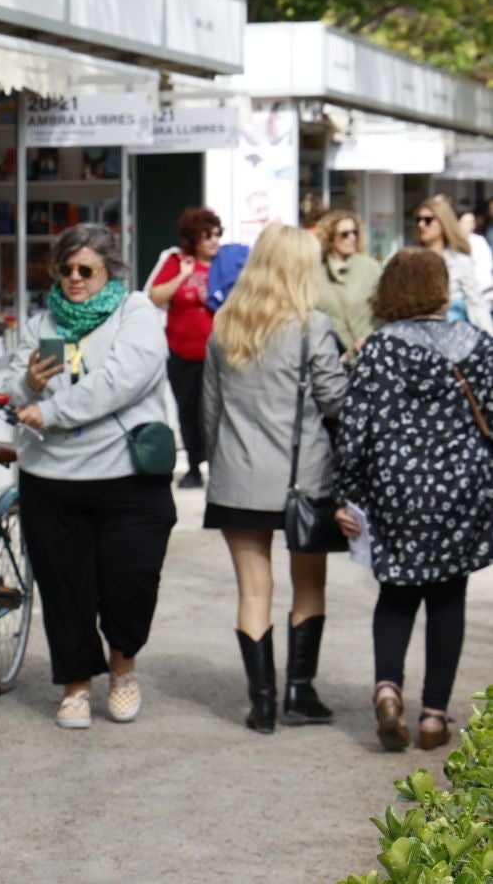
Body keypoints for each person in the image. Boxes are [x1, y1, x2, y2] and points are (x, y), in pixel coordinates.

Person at [4, 224, 176, 729]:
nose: (75, 280)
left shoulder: (135, 313)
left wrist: (53, 412)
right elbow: (15, 389)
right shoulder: (42, 323)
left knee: (131, 582)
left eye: (86, 271)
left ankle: (123, 666)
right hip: (51, 478)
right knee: (64, 588)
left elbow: (121, 381)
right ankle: (77, 684)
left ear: (110, 271)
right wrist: (27, 382)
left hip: (127, 476)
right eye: (66, 270)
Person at [335, 250, 493, 752]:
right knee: (448, 596)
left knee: (397, 592)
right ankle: (433, 715)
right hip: (463, 489)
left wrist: (347, 495)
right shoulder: (479, 345)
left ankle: (387, 689)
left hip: (396, 489)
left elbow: (354, 428)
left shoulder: (379, 349)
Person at [202, 225, 347, 734]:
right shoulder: (312, 325)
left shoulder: (224, 324)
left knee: (253, 590)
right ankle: (298, 694)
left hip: (237, 478)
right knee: (308, 586)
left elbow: (210, 413)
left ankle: (261, 705)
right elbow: (334, 400)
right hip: (302, 481)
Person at [148, 207, 224, 488]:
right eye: (208, 236)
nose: (214, 241)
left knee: (213, 412)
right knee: (188, 411)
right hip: (180, 352)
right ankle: (194, 467)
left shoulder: (225, 262)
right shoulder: (176, 260)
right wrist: (183, 275)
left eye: (217, 235)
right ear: (194, 239)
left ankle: (218, 466)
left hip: (216, 353)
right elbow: (156, 296)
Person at [413, 195, 492, 332]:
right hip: (418, 333)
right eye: (418, 220)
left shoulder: (459, 260)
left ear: (443, 223)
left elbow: (475, 302)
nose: (421, 225)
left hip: (455, 335)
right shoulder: (412, 260)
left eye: (428, 220)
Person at [315, 210, 382, 363]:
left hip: (368, 355)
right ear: (330, 238)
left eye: (355, 232)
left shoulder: (370, 268)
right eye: (345, 234)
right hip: (334, 361)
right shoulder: (317, 273)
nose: (351, 238)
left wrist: (372, 338)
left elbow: (384, 311)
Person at [458, 201, 493, 306]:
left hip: (483, 291)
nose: (470, 225)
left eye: (472, 222)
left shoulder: (480, 240)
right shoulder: (453, 242)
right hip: (462, 293)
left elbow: (487, 264)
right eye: (466, 222)